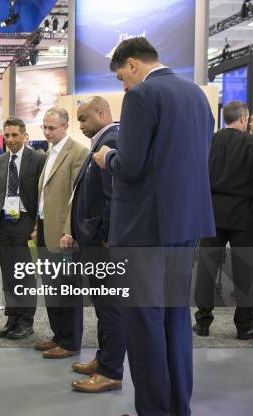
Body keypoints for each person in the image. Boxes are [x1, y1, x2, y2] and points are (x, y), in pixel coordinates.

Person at [93, 37, 215, 416]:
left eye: (121, 77)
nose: (123, 86)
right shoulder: (197, 96)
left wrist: (106, 156)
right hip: (186, 225)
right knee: (174, 321)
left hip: (144, 230)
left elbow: (130, 167)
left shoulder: (142, 97)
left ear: (133, 64)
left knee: (145, 325)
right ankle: (177, 407)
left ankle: (153, 410)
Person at [69, 97, 125, 393]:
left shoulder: (112, 139)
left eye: (83, 118)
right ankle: (104, 358)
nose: (80, 125)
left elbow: (111, 195)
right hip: (95, 240)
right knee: (103, 306)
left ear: (101, 113)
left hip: (103, 243)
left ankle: (111, 371)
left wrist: (104, 235)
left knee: (110, 306)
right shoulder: (103, 140)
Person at [193, 101, 253, 340]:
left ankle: (203, 323)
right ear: (243, 119)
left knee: (206, 268)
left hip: (211, 214)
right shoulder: (250, 144)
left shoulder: (207, 142)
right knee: (245, 270)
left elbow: (197, 178)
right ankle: (245, 327)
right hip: (244, 215)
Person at [33, 107, 87, 359]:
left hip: (64, 234)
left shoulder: (78, 152)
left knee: (67, 290)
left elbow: (78, 198)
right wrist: (37, 225)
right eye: (44, 127)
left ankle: (70, 341)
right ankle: (58, 335)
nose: (47, 132)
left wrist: (70, 231)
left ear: (66, 126)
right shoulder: (49, 153)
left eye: (51, 127)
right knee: (51, 288)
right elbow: (45, 194)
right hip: (45, 228)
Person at [0, 117, 46, 340]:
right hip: (3, 223)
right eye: (7, 135)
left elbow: (43, 196)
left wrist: (38, 224)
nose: (10, 139)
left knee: (25, 275)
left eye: (14, 135)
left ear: (24, 135)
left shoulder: (38, 159)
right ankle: (11, 319)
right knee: (8, 275)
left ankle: (26, 322)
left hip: (25, 222)